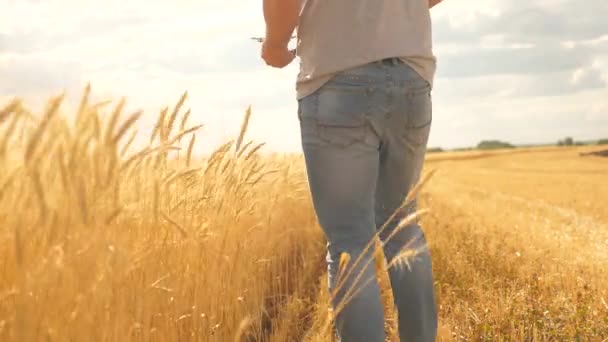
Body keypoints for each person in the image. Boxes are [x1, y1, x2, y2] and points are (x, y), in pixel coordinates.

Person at [261, 0, 444, 341]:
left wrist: (274, 46)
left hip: (336, 77)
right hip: (411, 75)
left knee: (350, 242)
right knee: (403, 228)